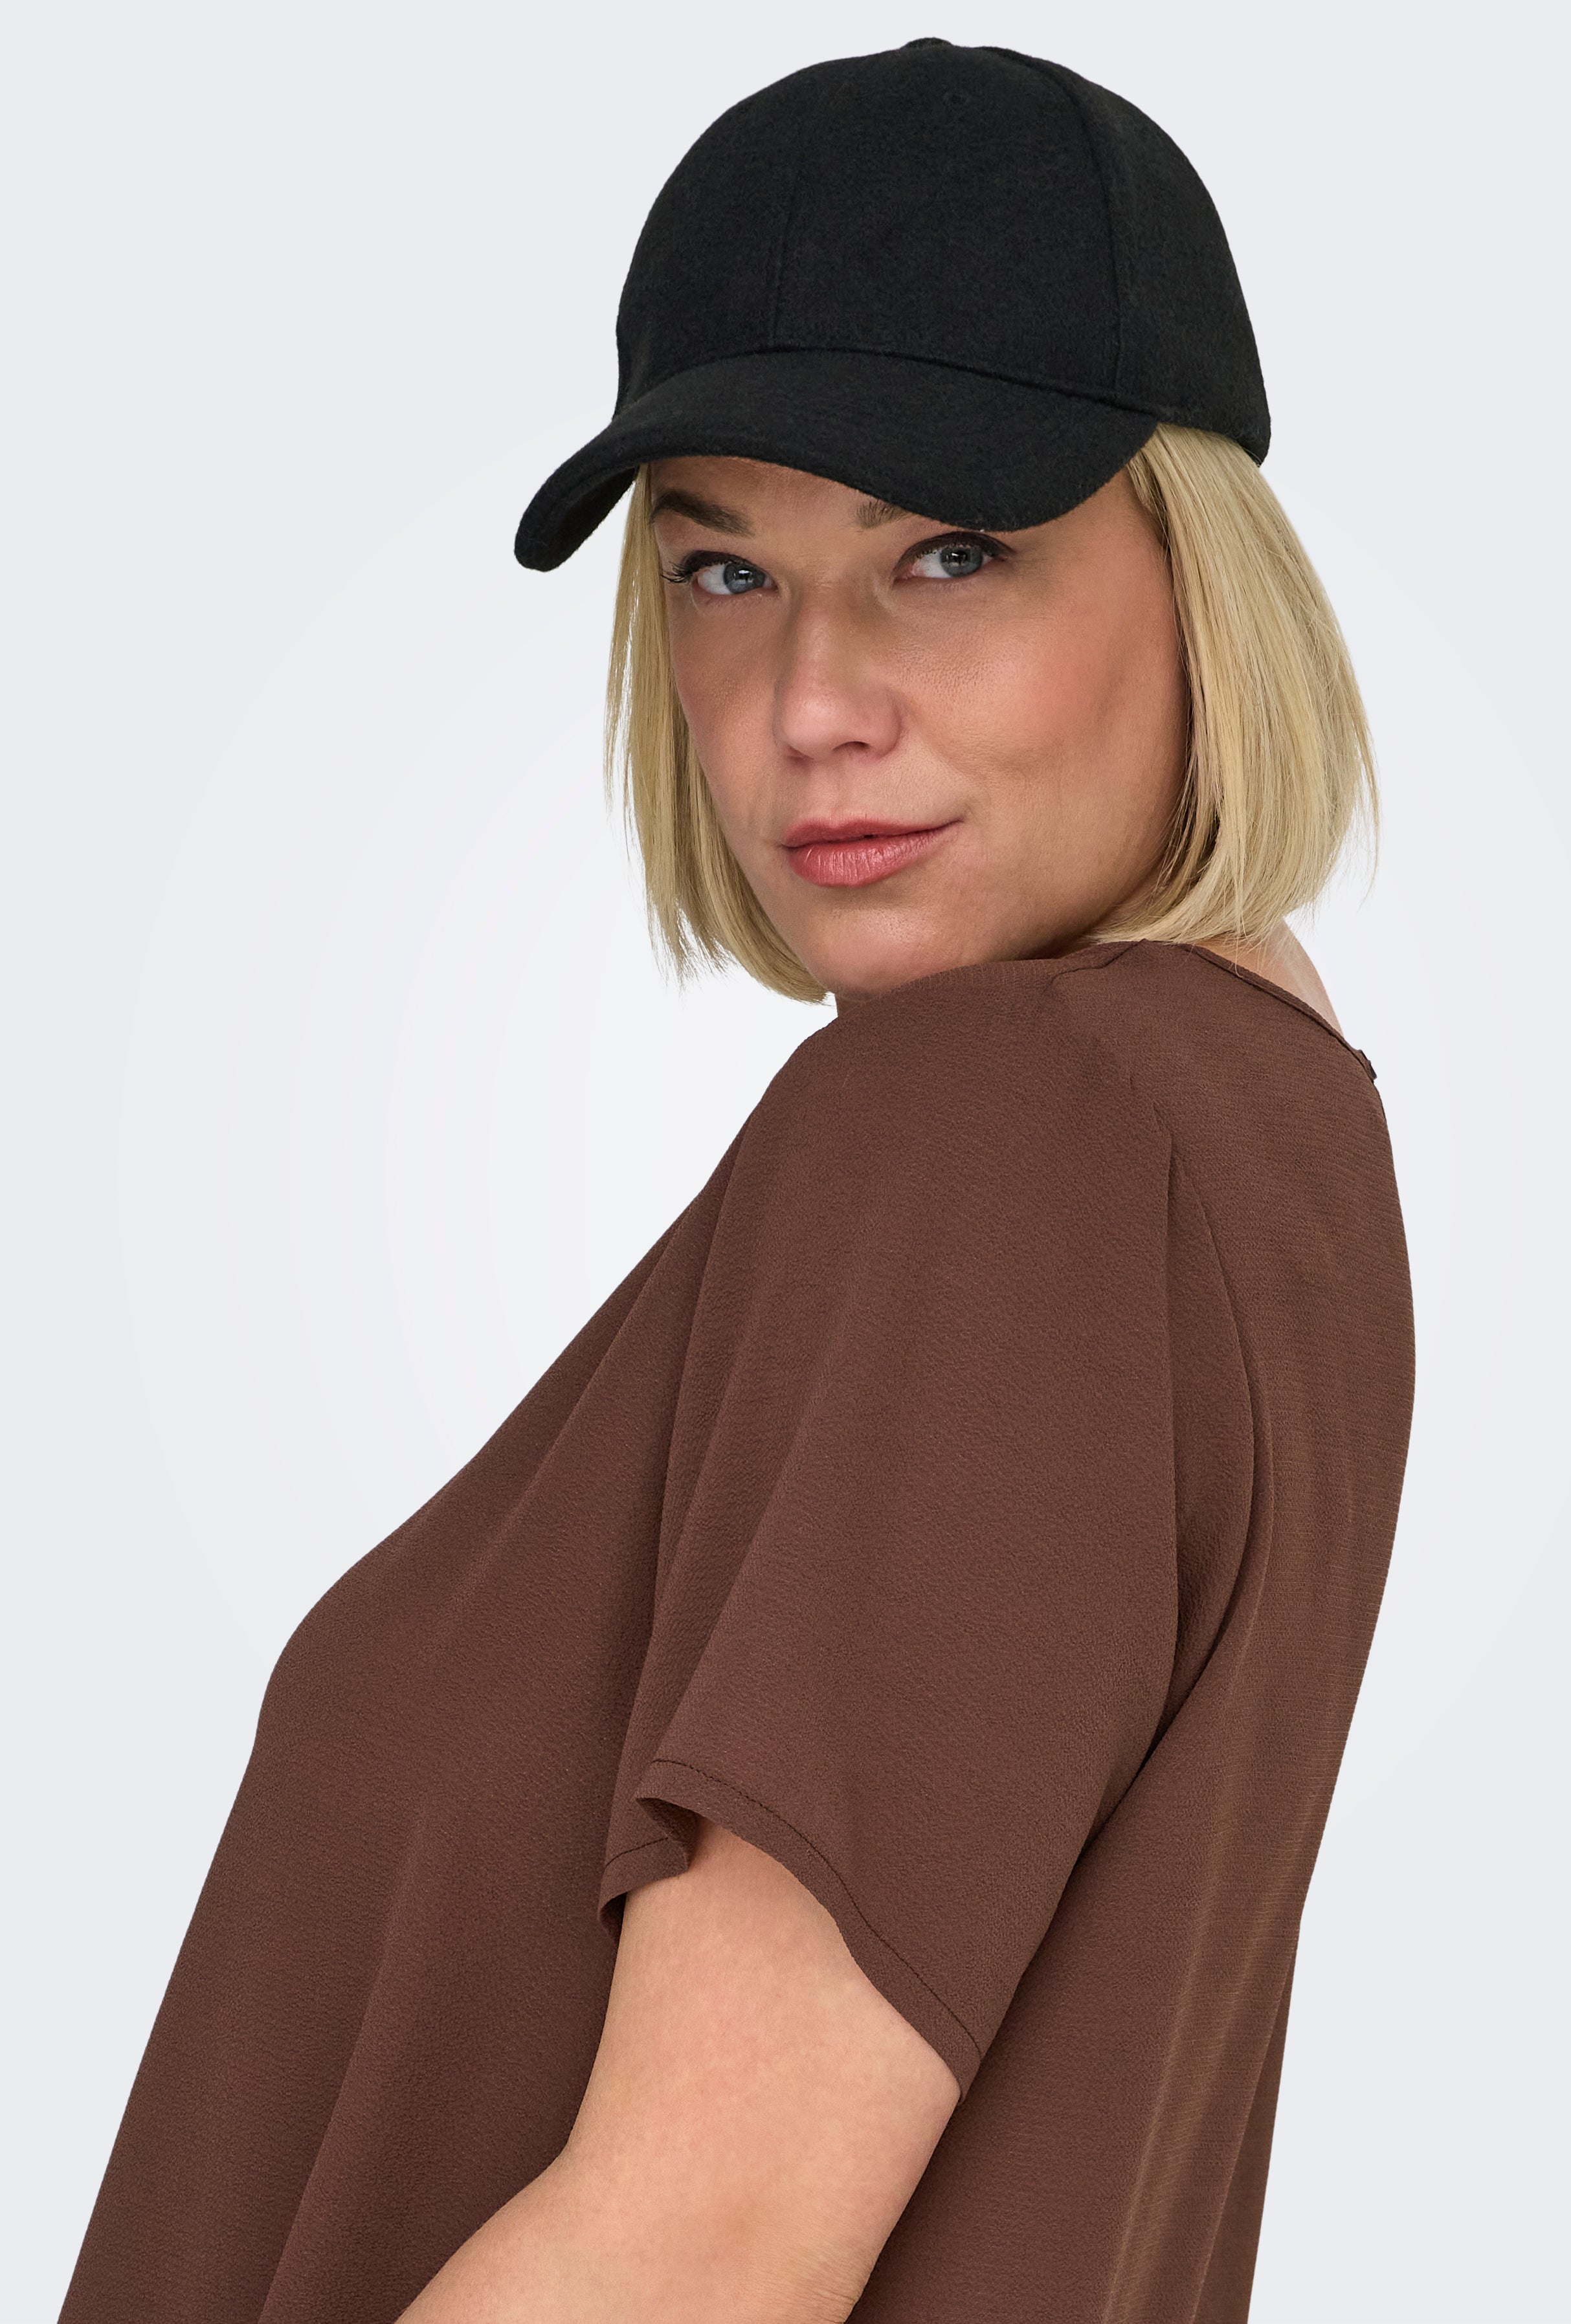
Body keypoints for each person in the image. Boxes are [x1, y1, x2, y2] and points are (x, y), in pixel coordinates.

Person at [60, 38, 1413, 2324]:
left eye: (951, 552)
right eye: (723, 568)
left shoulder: (1008, 1129)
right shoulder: (1263, 1136)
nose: (809, 703)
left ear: (1205, 584)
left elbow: (693, 2253)